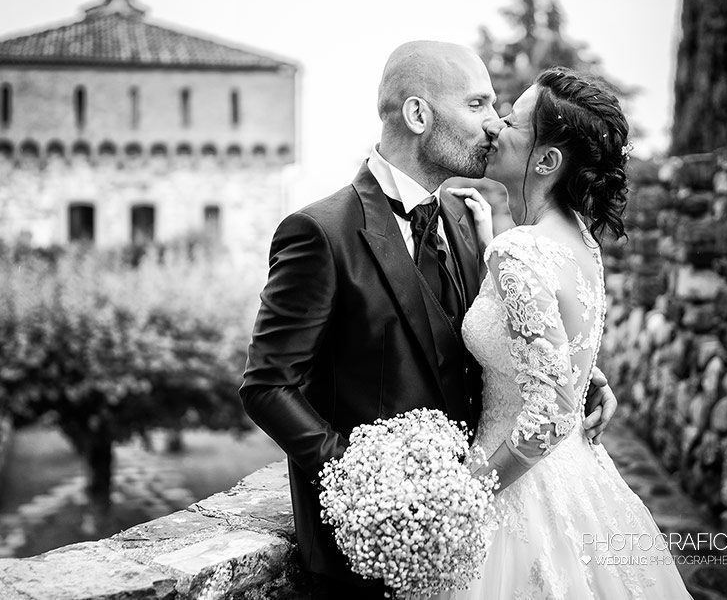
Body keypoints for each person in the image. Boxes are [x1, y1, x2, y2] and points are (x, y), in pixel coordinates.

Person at [239, 42, 618, 597]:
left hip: (477, 534)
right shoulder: (319, 232)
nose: (494, 125)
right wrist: (363, 484)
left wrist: (577, 379)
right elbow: (268, 385)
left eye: (499, 110)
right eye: (478, 104)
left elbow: (497, 338)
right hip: (367, 550)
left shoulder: (468, 220)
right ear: (419, 115)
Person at [432, 67, 690, 599]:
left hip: (517, 488)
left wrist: (466, 495)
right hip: (578, 475)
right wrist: (583, 372)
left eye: (514, 121)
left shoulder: (520, 251)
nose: (497, 124)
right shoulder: (579, 240)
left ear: (546, 161)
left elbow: (547, 412)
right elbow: (554, 338)